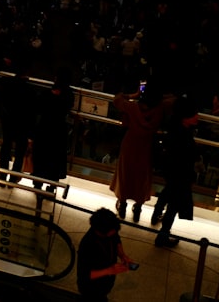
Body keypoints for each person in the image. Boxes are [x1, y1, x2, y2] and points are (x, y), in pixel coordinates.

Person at [109, 86, 164, 222]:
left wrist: (133, 94)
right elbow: (173, 100)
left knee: (125, 175)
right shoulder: (158, 111)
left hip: (129, 145)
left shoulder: (133, 108)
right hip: (146, 147)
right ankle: (138, 208)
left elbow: (117, 99)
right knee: (142, 178)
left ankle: (122, 206)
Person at [152, 96, 199, 247]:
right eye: (193, 114)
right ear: (185, 117)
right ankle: (163, 235)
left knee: (170, 194)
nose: (197, 116)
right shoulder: (183, 135)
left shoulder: (174, 129)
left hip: (172, 171)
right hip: (181, 174)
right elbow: (186, 158)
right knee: (174, 204)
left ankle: (158, 214)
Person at [76, 208, 136, 302]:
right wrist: (110, 270)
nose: (114, 233)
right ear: (101, 232)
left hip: (105, 283)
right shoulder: (87, 245)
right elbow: (85, 275)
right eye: (112, 232)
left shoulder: (109, 229)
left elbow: (116, 240)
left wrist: (123, 256)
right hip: (91, 289)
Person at [31, 67, 73, 192]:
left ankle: (38, 182)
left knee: (41, 155)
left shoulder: (47, 93)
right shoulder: (69, 95)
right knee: (55, 158)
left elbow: (39, 107)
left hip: (45, 127)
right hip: (58, 129)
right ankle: (52, 184)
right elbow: (65, 109)